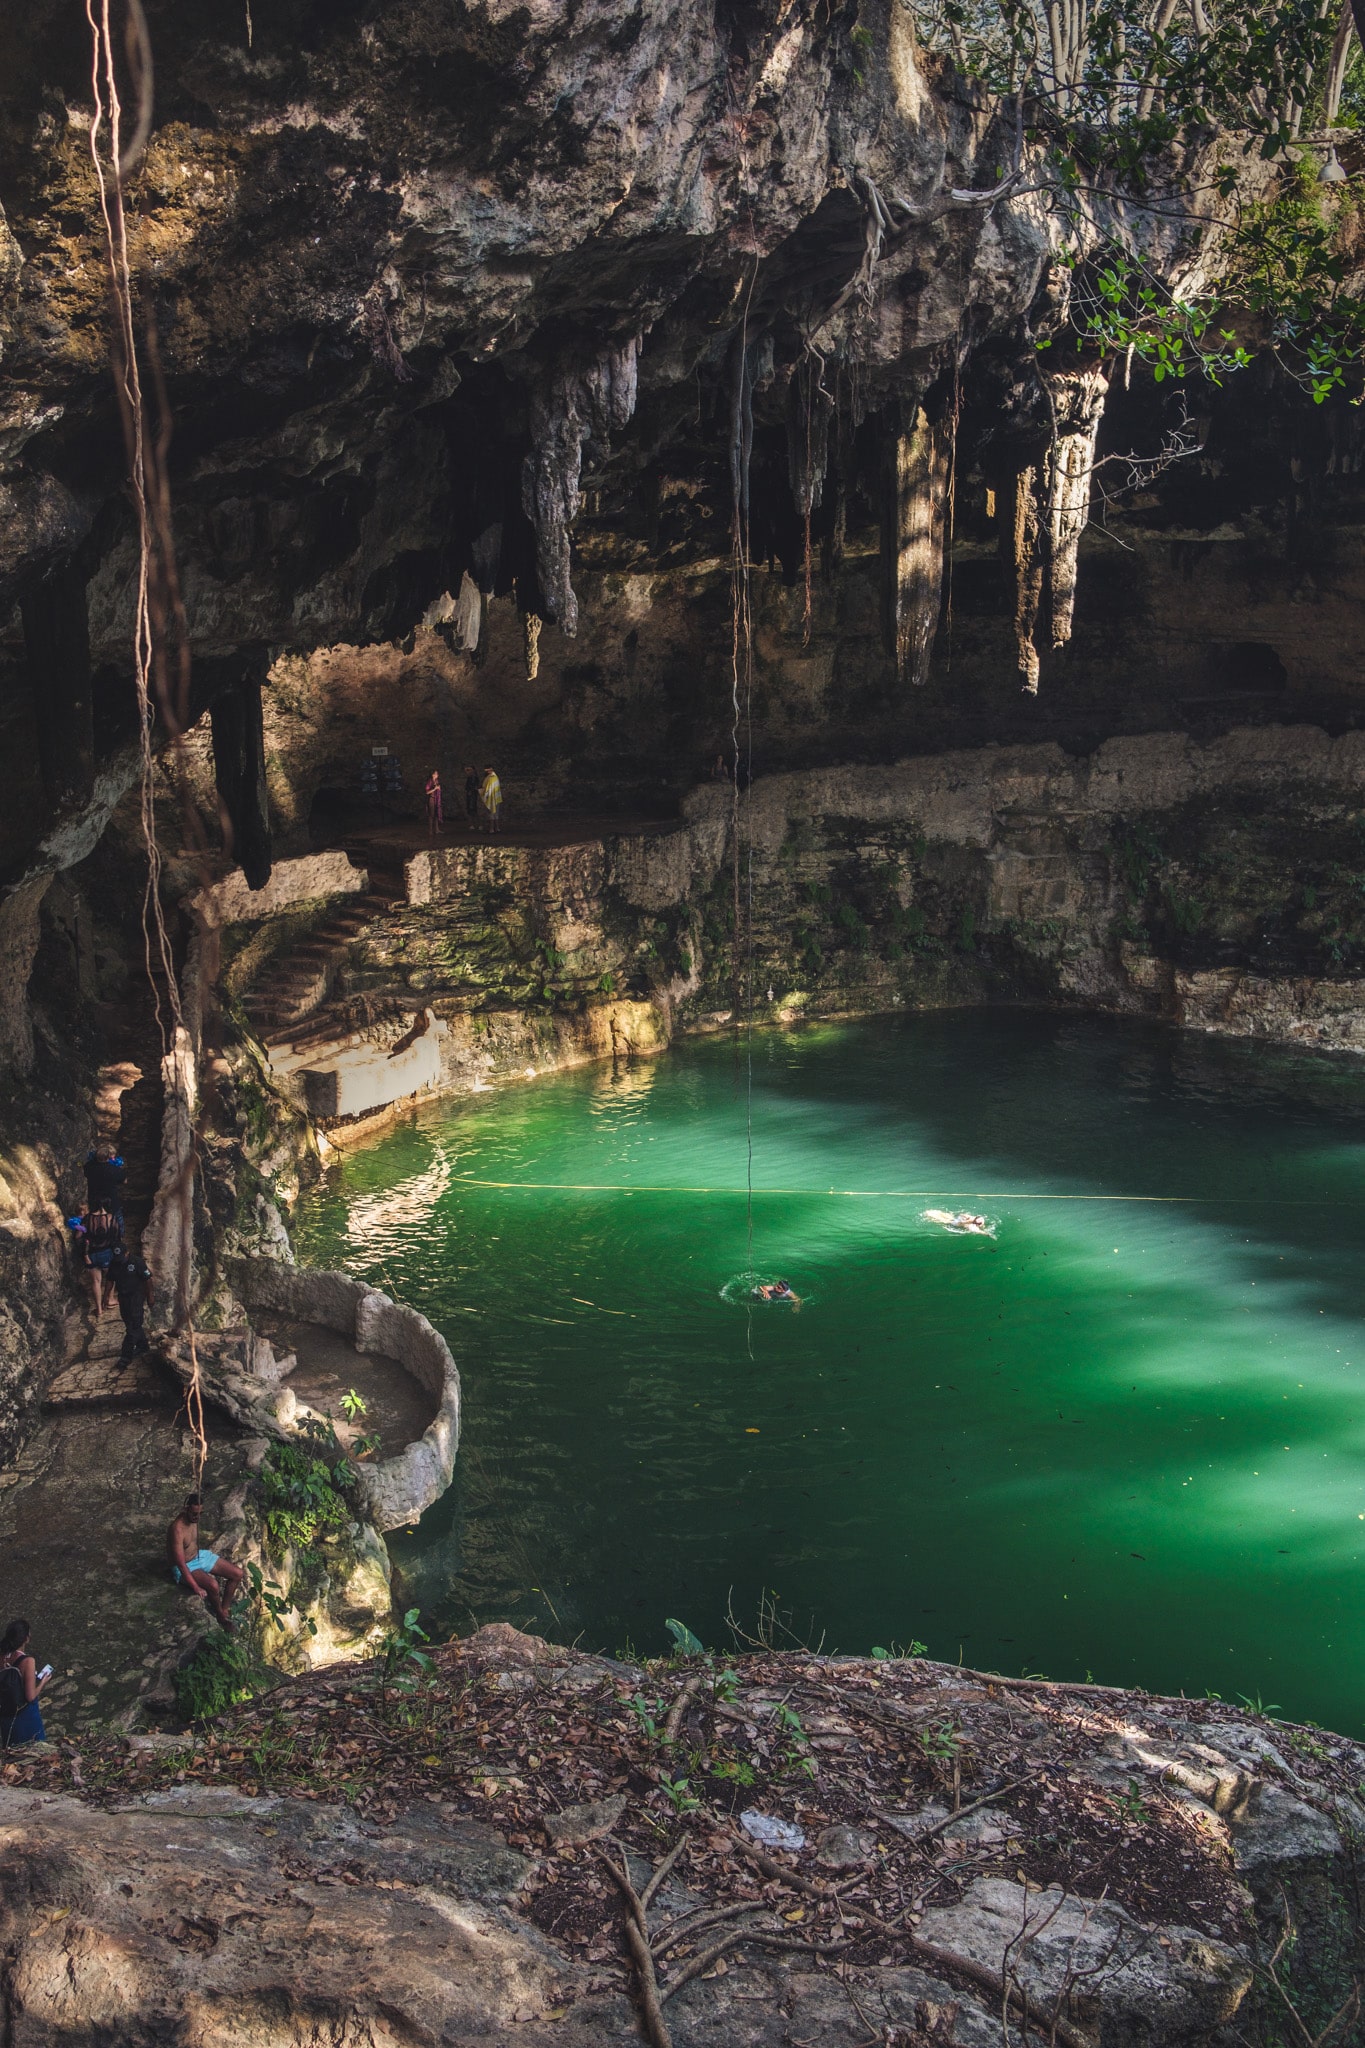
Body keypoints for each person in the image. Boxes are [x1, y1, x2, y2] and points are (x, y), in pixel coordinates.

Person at [168, 1496, 245, 1629]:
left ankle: (224, 1609)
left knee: (237, 1574)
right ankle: (220, 1616)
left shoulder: (193, 1519)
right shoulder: (177, 1529)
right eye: (194, 1514)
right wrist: (195, 1586)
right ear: (185, 1509)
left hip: (199, 1556)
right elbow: (180, 1563)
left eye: (200, 1513)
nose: (197, 1517)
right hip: (185, 1566)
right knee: (213, 1585)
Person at [0, 1619, 50, 1747]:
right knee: (36, 1748)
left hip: (6, 1715)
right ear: (26, 1638)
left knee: (12, 1749)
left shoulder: (2, 1657)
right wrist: (42, 1682)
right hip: (25, 1716)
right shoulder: (28, 1661)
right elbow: (30, 1697)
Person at [108, 1243, 154, 1367]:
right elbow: (110, 1280)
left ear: (127, 1253)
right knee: (130, 1323)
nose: (119, 1260)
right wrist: (106, 1296)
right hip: (123, 1297)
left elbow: (148, 1279)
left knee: (133, 1326)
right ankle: (143, 1346)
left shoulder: (137, 1262)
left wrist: (150, 1296)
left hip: (136, 1296)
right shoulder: (114, 1263)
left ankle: (126, 1356)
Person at [81, 1202, 123, 1316]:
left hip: (91, 1254)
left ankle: (99, 1309)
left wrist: (85, 1253)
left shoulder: (87, 1218)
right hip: (107, 1253)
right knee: (111, 1277)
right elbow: (118, 1235)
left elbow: (79, 1236)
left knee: (96, 1282)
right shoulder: (111, 1218)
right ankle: (110, 1299)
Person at [83, 1142, 127, 1225]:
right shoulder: (115, 1170)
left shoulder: (88, 1167)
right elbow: (124, 1181)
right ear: (108, 1157)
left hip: (94, 1201)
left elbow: (85, 1169)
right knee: (117, 1222)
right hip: (111, 1202)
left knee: (96, 1224)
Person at [480, 764, 502, 835]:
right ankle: (497, 828)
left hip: (492, 797)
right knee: (496, 813)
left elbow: (487, 788)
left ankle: (492, 828)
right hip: (496, 797)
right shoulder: (495, 777)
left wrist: (484, 794)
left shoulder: (491, 777)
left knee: (492, 814)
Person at [425, 768, 444, 838]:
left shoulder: (436, 781)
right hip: (431, 799)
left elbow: (438, 790)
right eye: (436, 773)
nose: (437, 775)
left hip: (437, 799)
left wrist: (439, 788)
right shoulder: (430, 781)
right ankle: (430, 830)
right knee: (431, 815)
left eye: (437, 774)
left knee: (436, 814)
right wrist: (434, 789)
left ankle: (437, 829)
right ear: (432, 774)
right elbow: (427, 792)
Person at [464, 764, 479, 832]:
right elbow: (466, 787)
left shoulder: (475, 778)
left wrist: (472, 790)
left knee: (474, 810)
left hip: (474, 796)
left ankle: (476, 824)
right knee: (470, 810)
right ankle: (472, 824)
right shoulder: (470, 778)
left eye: (470, 770)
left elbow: (476, 786)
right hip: (470, 796)